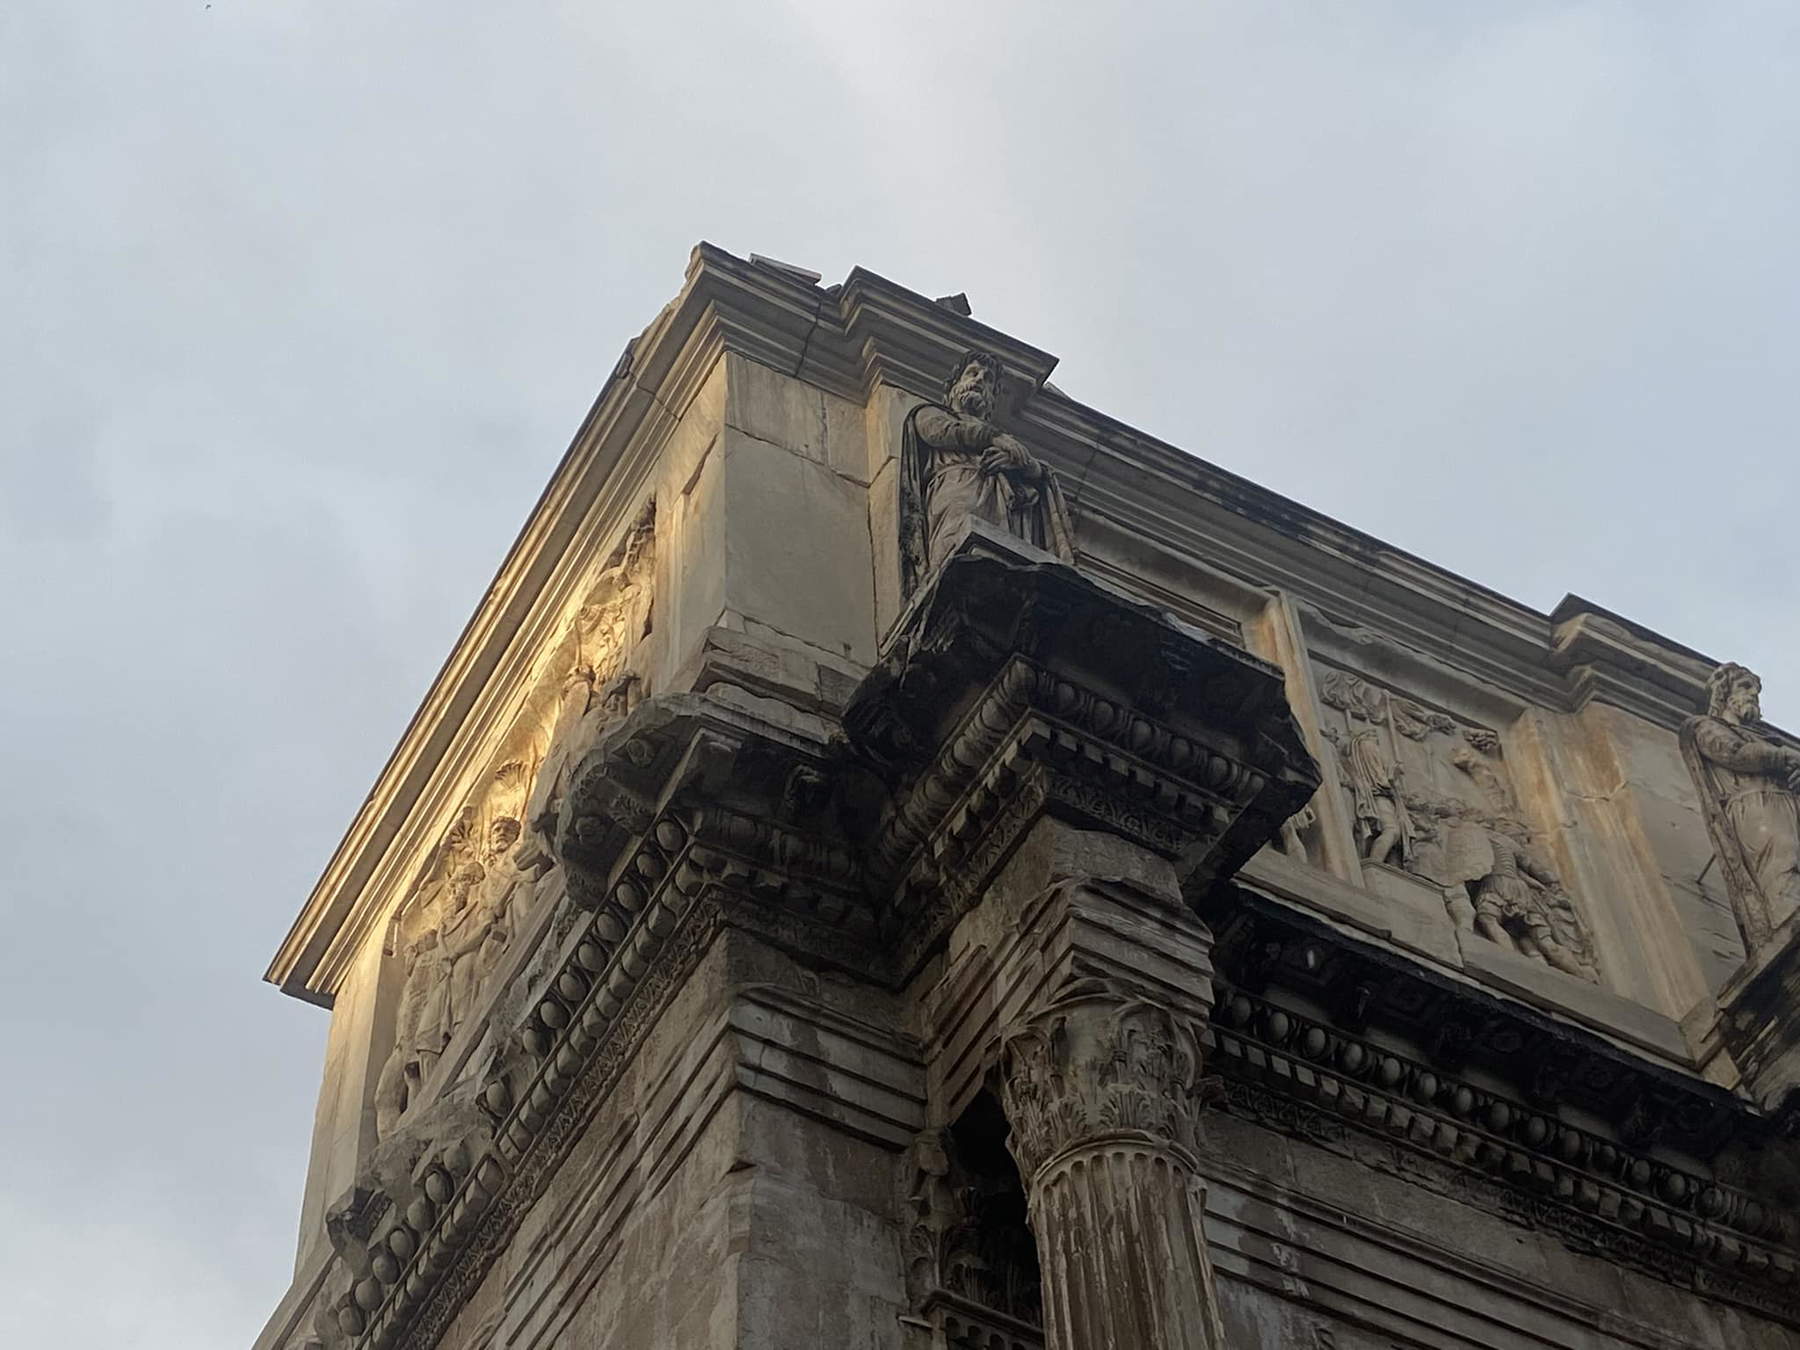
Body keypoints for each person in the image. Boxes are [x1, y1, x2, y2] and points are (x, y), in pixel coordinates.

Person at [899, 351, 1074, 591]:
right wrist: (996, 438)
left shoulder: (1006, 441)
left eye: (988, 379)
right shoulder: (929, 413)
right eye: (972, 373)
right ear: (953, 387)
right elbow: (942, 432)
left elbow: (1036, 473)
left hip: (1000, 499)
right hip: (956, 488)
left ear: (992, 398)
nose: (980, 380)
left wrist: (1020, 463)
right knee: (954, 551)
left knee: (1002, 560)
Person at [1681, 663, 1800, 953]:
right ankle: (1788, 928)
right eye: (1745, 687)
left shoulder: (1766, 739)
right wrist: (1786, 757)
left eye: (1755, 689)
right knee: (1781, 860)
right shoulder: (1704, 726)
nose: (1753, 695)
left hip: (1786, 802)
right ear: (1724, 693)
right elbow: (1735, 754)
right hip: (1752, 804)